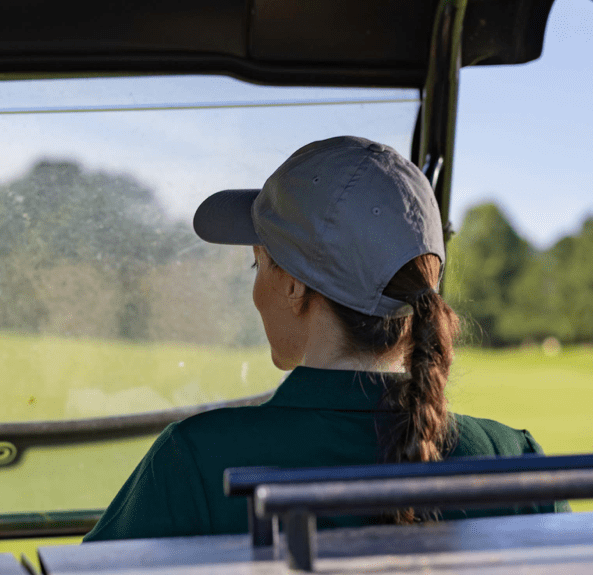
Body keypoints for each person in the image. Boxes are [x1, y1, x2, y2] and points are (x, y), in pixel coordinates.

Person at [85, 135, 567, 542]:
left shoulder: (194, 462)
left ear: (294, 286)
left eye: (259, 263)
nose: (256, 288)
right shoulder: (513, 461)